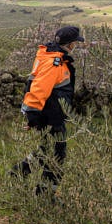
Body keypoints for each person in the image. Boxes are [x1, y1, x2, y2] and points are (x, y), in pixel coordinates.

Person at [14, 25, 84, 197]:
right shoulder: (55, 63)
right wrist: (33, 118)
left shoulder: (51, 56)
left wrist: (32, 117)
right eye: (75, 43)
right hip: (51, 117)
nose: (75, 46)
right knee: (57, 155)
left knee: (46, 149)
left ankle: (18, 173)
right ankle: (44, 195)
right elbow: (38, 89)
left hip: (49, 115)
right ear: (70, 44)